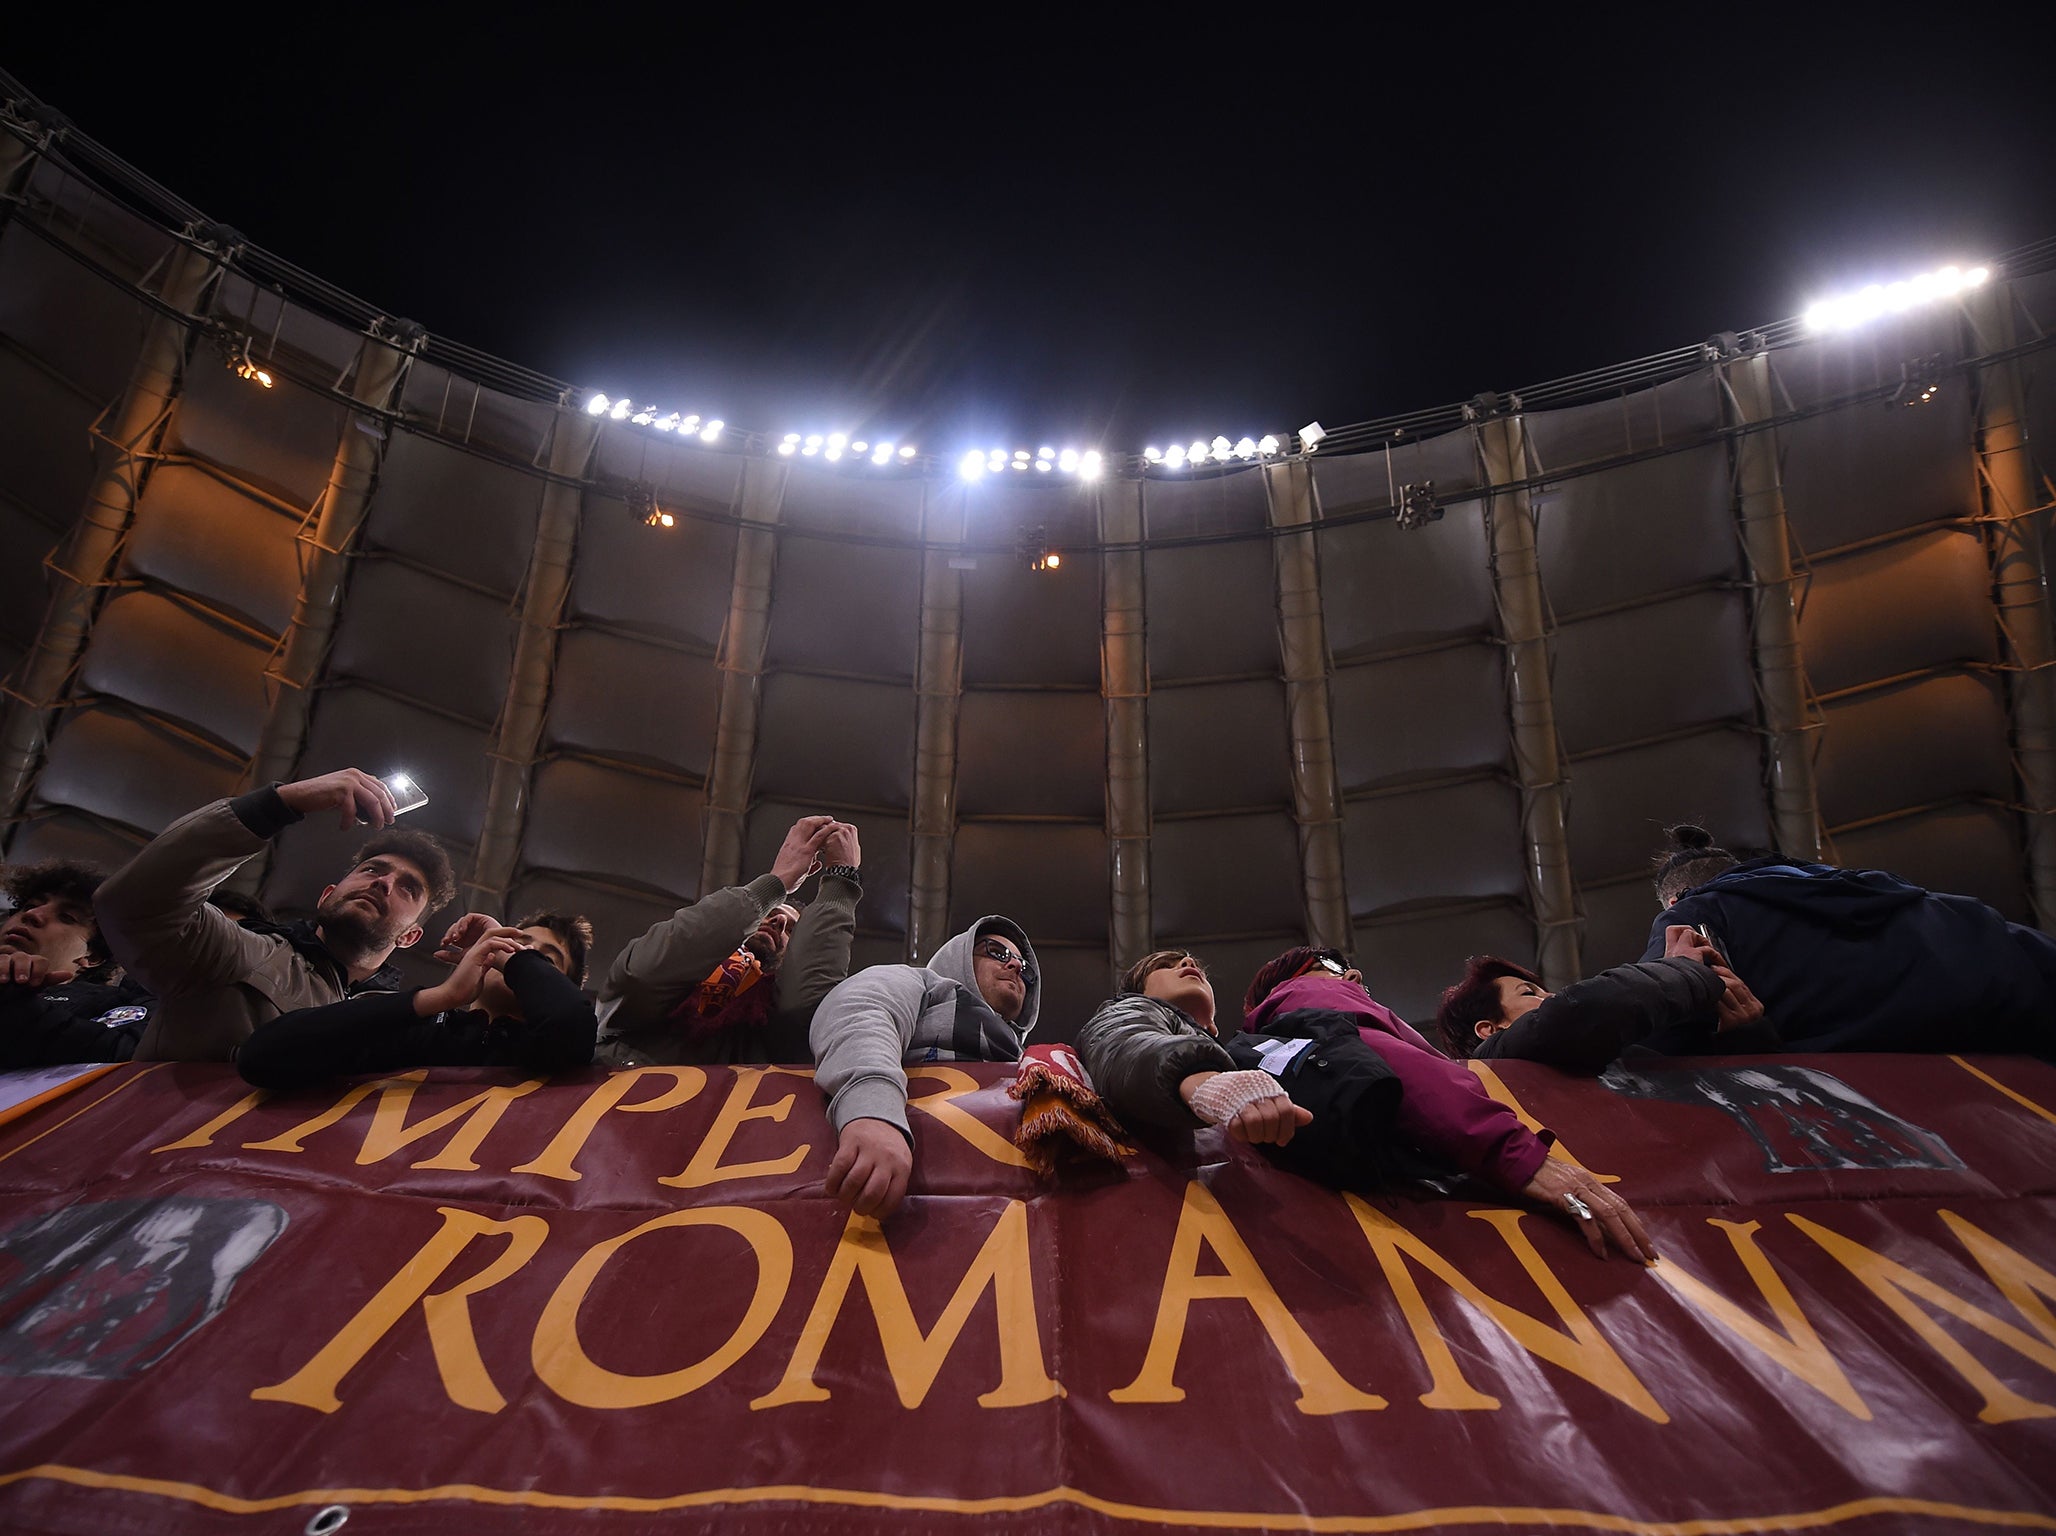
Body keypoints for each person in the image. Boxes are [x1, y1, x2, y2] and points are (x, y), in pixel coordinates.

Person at [1242, 946, 1655, 1262]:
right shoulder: (1305, 993)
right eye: (1331, 966)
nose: (1353, 974)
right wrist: (1519, 1155)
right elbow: (1400, 1066)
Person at [96, 770, 458, 1061]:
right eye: (372, 870)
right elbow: (132, 906)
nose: (384, 883)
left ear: (409, 936)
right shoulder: (242, 953)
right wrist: (281, 803)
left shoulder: (403, 1025)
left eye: (408, 888)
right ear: (327, 896)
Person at [1642, 823, 2056, 1054]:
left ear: (1675, 899)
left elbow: (1661, 1037)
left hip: (1893, 1100)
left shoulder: (1691, 917)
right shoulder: (1920, 900)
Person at [1077, 951, 1408, 1190]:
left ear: (1214, 1027)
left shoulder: (1243, 1049)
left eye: (1191, 964)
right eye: (1166, 965)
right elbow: (1123, 1042)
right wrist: (1205, 1084)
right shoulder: (1130, 1011)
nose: (1188, 964)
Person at [809, 915, 1039, 1219]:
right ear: (958, 957)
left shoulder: (1031, 1059)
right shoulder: (921, 983)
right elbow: (859, 1010)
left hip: (998, 1211)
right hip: (901, 1179)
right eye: (996, 952)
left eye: (1023, 967)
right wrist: (874, 1112)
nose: (1014, 967)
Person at [596, 815, 861, 1065]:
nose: (778, 921)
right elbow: (642, 972)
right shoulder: (673, 977)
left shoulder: (771, 1026)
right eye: (770, 913)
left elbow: (804, 1006)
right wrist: (777, 882)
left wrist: (841, 881)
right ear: (744, 925)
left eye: (792, 930)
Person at [237, 912, 597, 1090]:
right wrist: (441, 997)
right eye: (514, 942)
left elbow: (568, 1022)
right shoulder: (419, 1026)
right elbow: (263, 1055)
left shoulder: (545, 1051)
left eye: (542, 959)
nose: (518, 952)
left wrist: (516, 959)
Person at [1434, 946, 1772, 1072]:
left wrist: (1743, 1037)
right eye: (1529, 993)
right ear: (1490, 1029)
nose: (1552, 998)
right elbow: (1578, 1011)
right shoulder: (1494, 1058)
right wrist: (1682, 969)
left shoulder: (1617, 1059)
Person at [0, 860, 153, 1068]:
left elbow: (124, 1054)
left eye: (66, 917)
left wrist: (14, 1002)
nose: (32, 915)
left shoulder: (117, 1002)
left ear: (92, 957)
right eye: (29, 906)